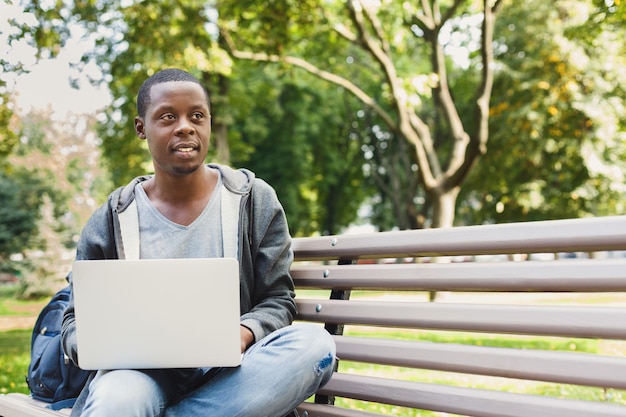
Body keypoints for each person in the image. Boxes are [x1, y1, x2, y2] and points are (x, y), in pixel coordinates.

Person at [61, 68, 336, 417]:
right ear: (141, 128)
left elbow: (278, 300)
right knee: (116, 399)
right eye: (167, 117)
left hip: (236, 372)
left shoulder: (253, 200)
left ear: (208, 122)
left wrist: (242, 333)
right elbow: (74, 321)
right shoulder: (111, 219)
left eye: (196, 116)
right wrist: (102, 345)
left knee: (314, 346)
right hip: (142, 374)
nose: (185, 126)